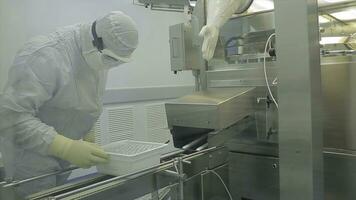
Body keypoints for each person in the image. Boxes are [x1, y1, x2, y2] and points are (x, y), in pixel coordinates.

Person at [0, 11, 139, 196]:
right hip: (30, 158)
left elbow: (85, 100)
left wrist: (89, 134)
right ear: (95, 42)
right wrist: (65, 147)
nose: (112, 65)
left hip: (63, 157)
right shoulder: (45, 55)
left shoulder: (98, 54)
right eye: (111, 59)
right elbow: (10, 116)